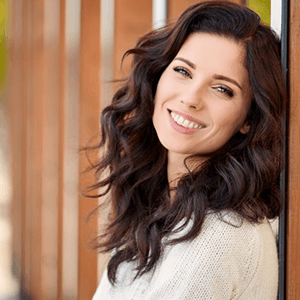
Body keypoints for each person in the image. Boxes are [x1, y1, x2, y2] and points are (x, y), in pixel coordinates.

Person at [89, 1, 287, 299]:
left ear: (248, 118)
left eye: (222, 89)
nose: (191, 98)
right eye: (183, 71)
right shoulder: (161, 209)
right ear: (158, 75)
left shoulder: (220, 235)